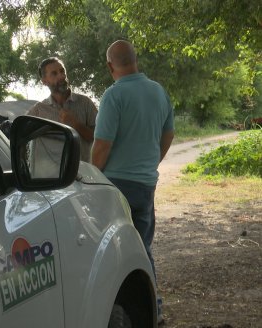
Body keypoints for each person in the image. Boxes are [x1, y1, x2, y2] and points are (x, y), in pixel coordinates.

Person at [91, 40, 174, 324]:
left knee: (110, 251)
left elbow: (102, 145)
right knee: (143, 248)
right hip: (145, 184)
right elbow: (168, 135)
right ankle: (155, 308)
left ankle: (118, 309)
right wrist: (151, 163)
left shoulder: (114, 96)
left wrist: (92, 176)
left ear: (109, 65)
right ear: (135, 60)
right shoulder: (159, 92)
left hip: (116, 186)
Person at [27, 57, 97, 162]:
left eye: (62, 71)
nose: (61, 76)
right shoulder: (38, 111)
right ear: (44, 81)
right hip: (52, 176)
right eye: (54, 73)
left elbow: (99, 138)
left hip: (84, 174)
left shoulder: (85, 103)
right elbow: (23, 141)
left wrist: (76, 124)